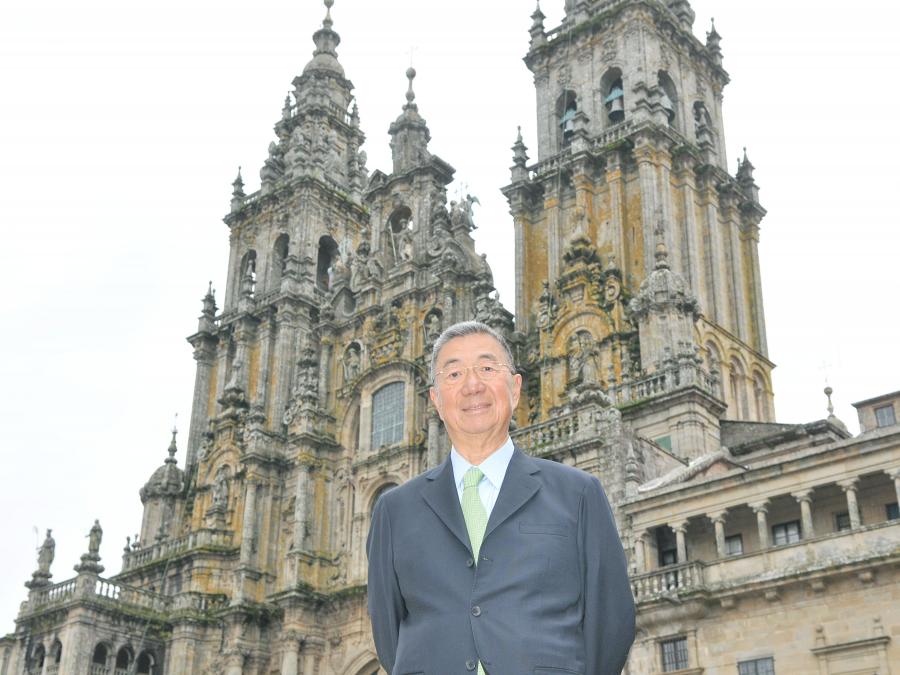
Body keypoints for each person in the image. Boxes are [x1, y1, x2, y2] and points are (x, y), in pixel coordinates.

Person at [367, 320, 635, 675]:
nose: (472, 385)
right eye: (454, 374)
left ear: (516, 387)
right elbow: (389, 636)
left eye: (487, 368)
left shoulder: (579, 493)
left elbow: (611, 622)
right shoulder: (393, 511)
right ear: (435, 400)